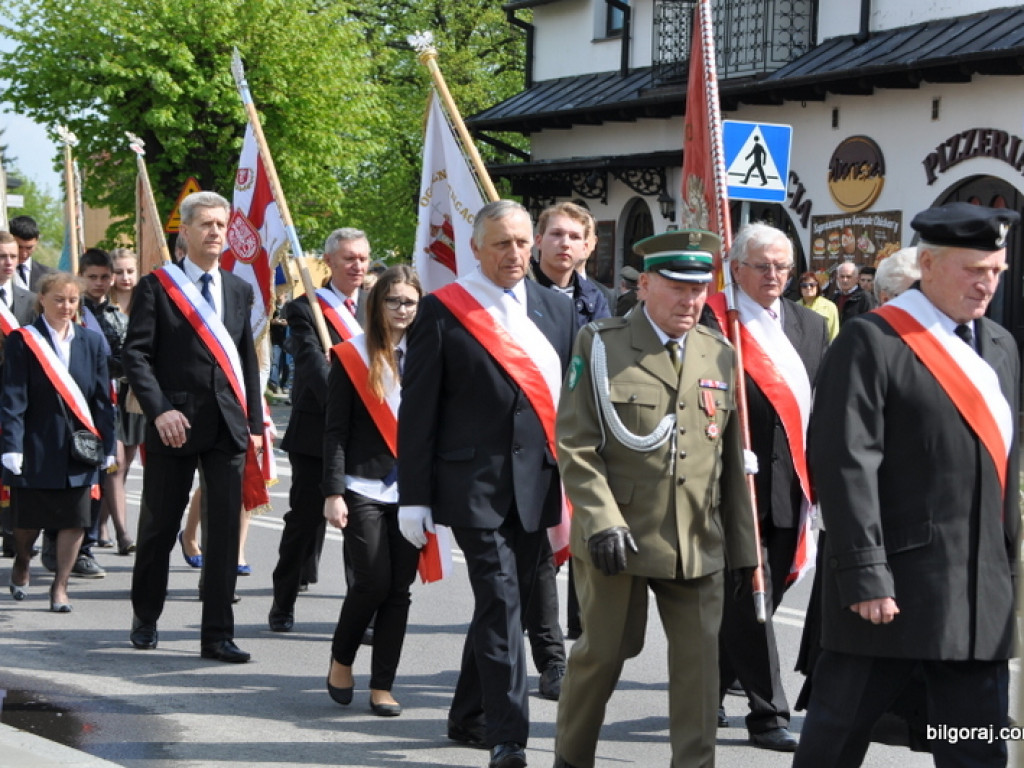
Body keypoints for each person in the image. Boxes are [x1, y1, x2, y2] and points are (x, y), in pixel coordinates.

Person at [794, 203, 1021, 768]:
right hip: (892, 592)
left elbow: (1006, 473)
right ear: (928, 263)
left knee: (976, 748)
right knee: (835, 742)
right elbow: (846, 465)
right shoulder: (873, 342)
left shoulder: (999, 346)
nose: (986, 283)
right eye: (973, 269)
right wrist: (865, 572)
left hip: (977, 597)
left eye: (996, 271)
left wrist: (1009, 570)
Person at [552, 229, 758, 768]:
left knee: (699, 669)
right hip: (619, 537)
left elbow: (730, 462)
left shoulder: (719, 354)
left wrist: (744, 551)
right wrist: (599, 521)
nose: (691, 301)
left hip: (697, 539)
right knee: (602, 657)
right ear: (644, 285)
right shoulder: (602, 344)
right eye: (677, 288)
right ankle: (571, 760)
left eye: (699, 289)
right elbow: (576, 443)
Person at [398, 200, 576, 768]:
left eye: (523, 242)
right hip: (473, 484)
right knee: (500, 605)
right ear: (476, 249)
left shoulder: (557, 309)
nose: (515, 254)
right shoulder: (445, 311)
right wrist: (413, 496)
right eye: (501, 243)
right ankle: (508, 736)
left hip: (538, 484)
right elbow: (418, 410)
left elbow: (569, 407)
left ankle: (468, 714)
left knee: (505, 605)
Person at [703, 223, 828, 752]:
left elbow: (818, 402)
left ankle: (704, 687)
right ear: (736, 270)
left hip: (790, 483)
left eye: (783, 266)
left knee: (765, 595)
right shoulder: (715, 320)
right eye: (763, 266)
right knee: (747, 593)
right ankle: (767, 714)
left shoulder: (809, 325)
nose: (776, 275)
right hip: (731, 483)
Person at [123, 191, 262, 663]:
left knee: (224, 530)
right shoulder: (157, 287)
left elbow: (245, 360)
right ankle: (146, 616)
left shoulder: (239, 290)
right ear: (184, 229)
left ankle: (217, 634)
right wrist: (158, 408)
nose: (215, 232)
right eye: (205, 224)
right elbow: (135, 354)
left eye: (222, 224)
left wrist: (257, 421)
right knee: (161, 525)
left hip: (226, 424)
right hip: (172, 425)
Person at [323, 265, 421, 717]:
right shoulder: (351, 356)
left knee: (399, 590)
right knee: (371, 581)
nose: (402, 310)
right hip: (363, 485)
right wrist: (333, 492)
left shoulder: (427, 354)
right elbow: (336, 432)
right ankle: (342, 659)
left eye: (410, 302)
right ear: (377, 303)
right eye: (394, 301)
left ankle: (383, 685)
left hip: (413, 489)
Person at [268, 227, 368, 632]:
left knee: (363, 528)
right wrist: (349, 407)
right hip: (317, 434)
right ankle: (283, 601)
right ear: (329, 262)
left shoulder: (375, 305)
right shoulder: (306, 308)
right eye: (348, 258)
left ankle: (360, 612)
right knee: (304, 523)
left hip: (367, 437)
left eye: (362, 257)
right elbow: (310, 367)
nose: (357, 265)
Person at [2, 272, 115, 612]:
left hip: (80, 447)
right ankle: (23, 561)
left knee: (75, 518)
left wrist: (107, 447)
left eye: (72, 300)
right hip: (36, 444)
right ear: (43, 301)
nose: (66, 306)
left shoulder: (91, 342)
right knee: (28, 522)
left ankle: (60, 587)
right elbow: (13, 395)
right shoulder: (25, 340)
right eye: (59, 300)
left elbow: (100, 400)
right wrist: (11, 445)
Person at [79, 247, 135, 554]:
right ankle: (87, 533)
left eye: (104, 277)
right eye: (93, 277)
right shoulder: (74, 311)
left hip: (111, 398)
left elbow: (125, 359)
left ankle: (121, 532)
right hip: (77, 399)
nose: (99, 283)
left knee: (115, 462)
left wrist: (107, 364)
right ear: (82, 277)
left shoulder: (116, 317)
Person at [0, 232, 38, 559]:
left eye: (12, 256)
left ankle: (14, 534)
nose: (9, 262)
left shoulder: (29, 300)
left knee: (15, 469)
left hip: (18, 399)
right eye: (2, 256)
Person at [106, 247, 145, 554]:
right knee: (115, 462)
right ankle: (123, 534)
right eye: (119, 271)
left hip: (136, 394)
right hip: (109, 391)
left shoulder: (146, 304)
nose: (125, 277)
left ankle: (99, 523)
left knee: (125, 463)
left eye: (130, 271)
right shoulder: (98, 310)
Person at [9, 215, 55, 292]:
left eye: (29, 248)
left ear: (37, 242)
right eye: (19, 247)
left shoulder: (49, 276)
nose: (24, 254)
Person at [830, 261, 878, 325]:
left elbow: (870, 323)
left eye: (848, 277)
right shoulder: (834, 298)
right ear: (837, 278)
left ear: (857, 279)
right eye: (842, 276)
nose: (845, 280)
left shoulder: (865, 298)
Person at [797, 271, 839, 340]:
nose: (808, 288)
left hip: (823, 349)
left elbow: (834, 334)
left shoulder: (830, 307)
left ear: (818, 286)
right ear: (800, 288)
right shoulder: (794, 307)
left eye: (812, 285)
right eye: (804, 285)